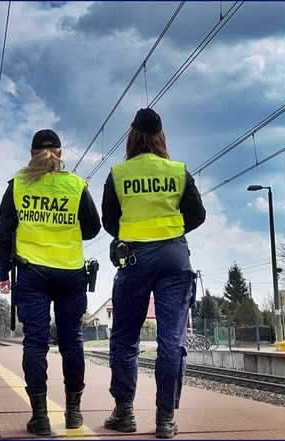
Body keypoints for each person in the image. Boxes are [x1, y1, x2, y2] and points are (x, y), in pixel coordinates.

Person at [101, 108, 206, 439]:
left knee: (125, 337)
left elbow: (109, 221)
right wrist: (170, 233)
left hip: (134, 258)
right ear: (161, 137)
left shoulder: (118, 174)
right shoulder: (178, 171)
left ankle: (124, 412)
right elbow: (197, 215)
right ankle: (165, 419)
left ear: (132, 137)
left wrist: (133, 234)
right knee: (171, 340)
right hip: (174, 257)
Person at [0, 129, 101, 436]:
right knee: (72, 342)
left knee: (35, 343)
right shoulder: (76, 185)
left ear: (31, 154)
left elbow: (3, 232)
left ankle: (39, 417)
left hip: (32, 273)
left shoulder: (17, 185)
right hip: (70, 273)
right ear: (60, 153)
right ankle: (73, 413)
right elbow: (92, 228)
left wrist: (2, 272)